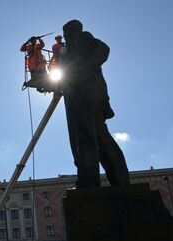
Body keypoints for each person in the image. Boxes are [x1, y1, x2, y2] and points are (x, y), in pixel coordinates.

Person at [61, 19, 129, 188]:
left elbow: (103, 49)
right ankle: (118, 180)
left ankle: (89, 181)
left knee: (87, 138)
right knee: (96, 139)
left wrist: (85, 69)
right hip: (77, 98)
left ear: (72, 31)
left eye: (66, 32)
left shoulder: (82, 39)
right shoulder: (69, 50)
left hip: (86, 98)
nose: (65, 36)